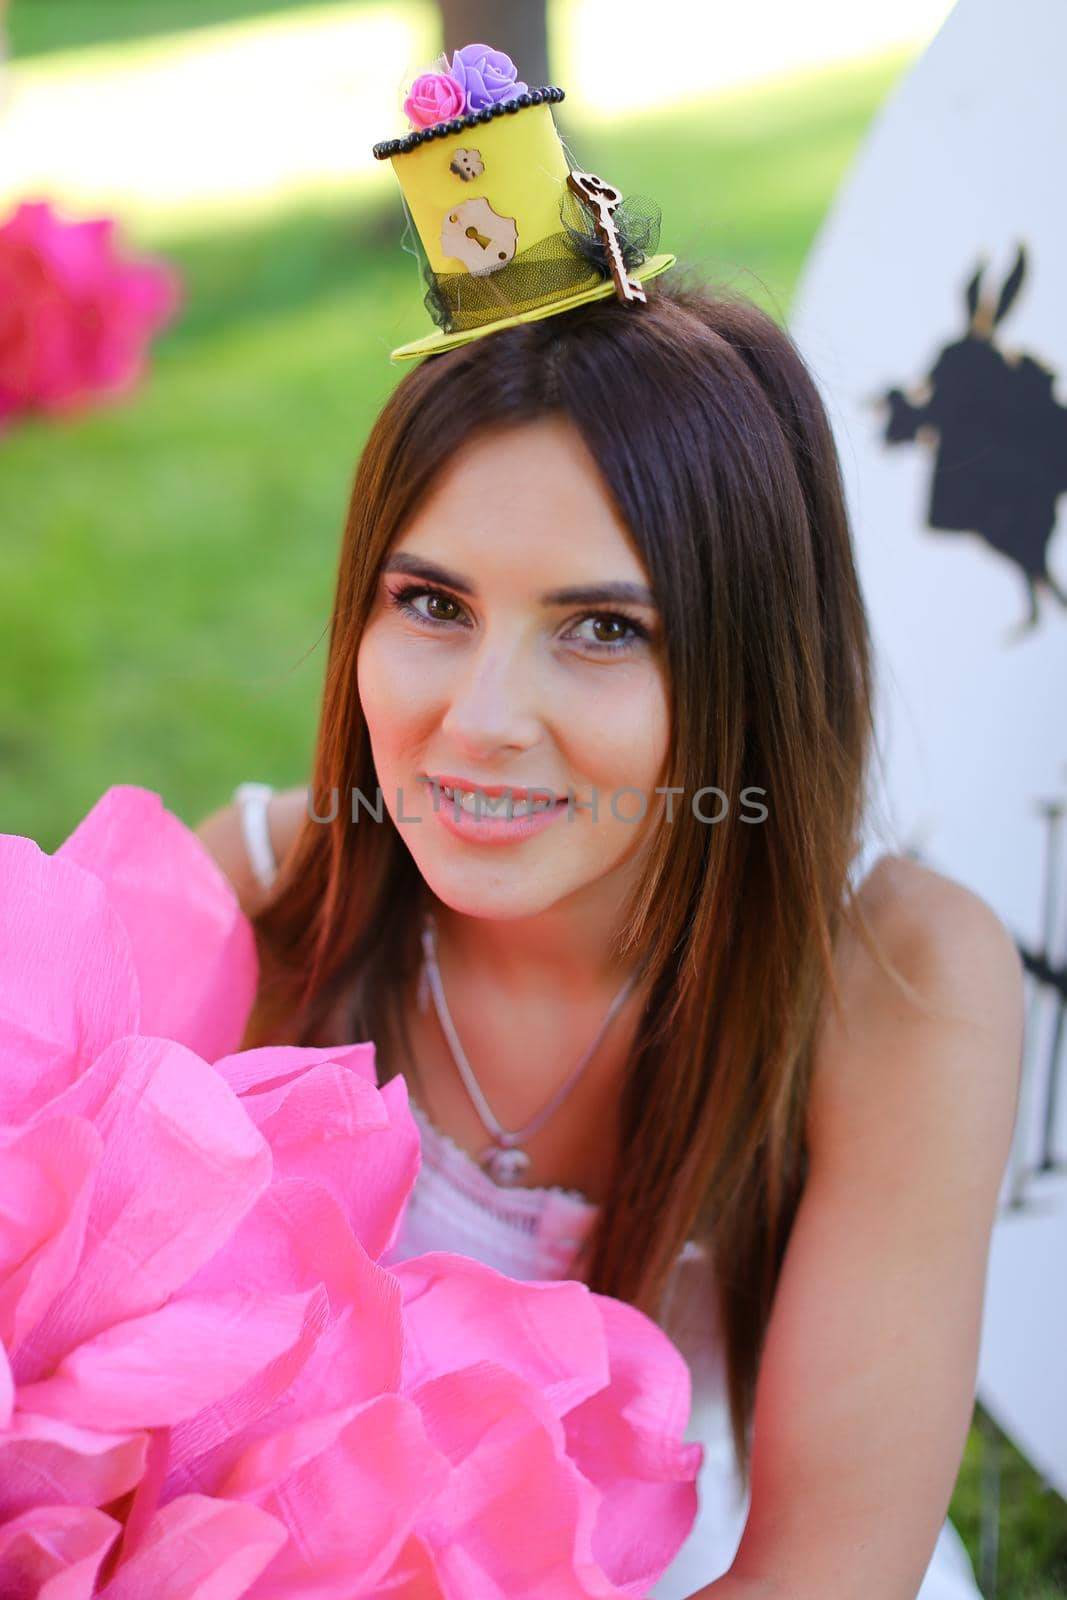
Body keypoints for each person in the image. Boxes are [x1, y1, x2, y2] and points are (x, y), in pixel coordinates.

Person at [196, 47, 1024, 1600]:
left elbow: (824, 1573)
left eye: (602, 630)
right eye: (431, 603)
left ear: (744, 663)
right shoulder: (255, 896)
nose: (480, 718)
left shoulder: (896, 980)